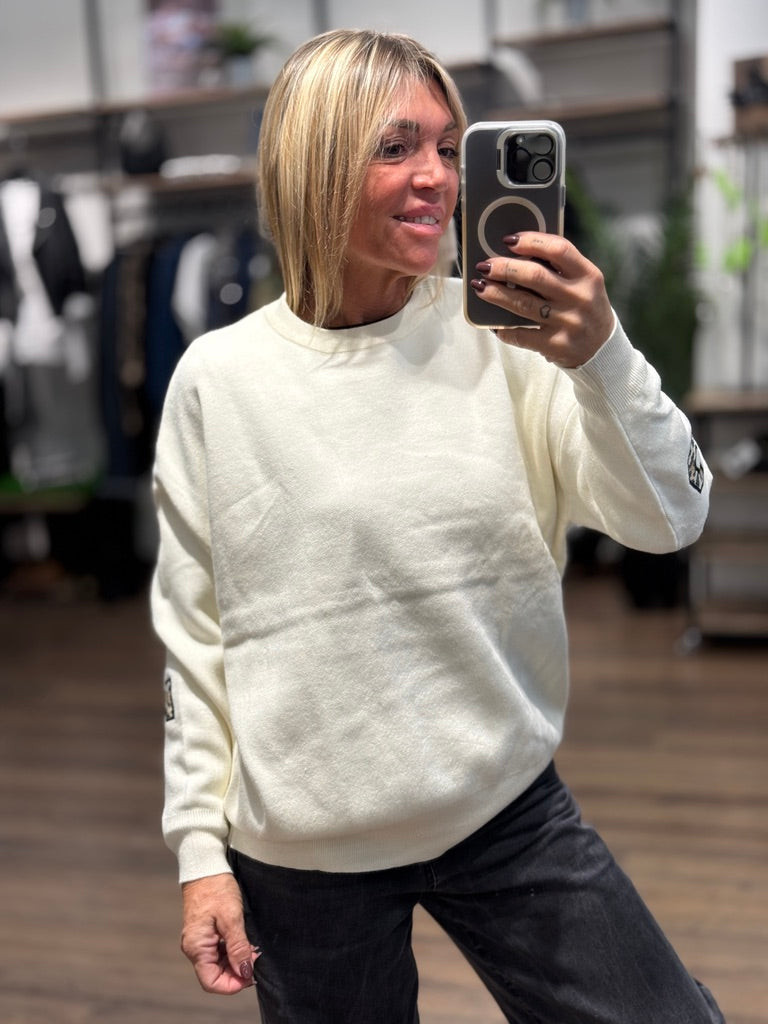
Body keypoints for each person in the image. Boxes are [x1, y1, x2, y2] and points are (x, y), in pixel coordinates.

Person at [151, 28, 725, 1024]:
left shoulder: (509, 340)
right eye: (396, 147)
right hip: (305, 854)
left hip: (504, 807)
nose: (439, 177)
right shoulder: (219, 379)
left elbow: (671, 515)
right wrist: (201, 855)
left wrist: (602, 355)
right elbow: (193, 638)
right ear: (316, 161)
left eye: (451, 148)